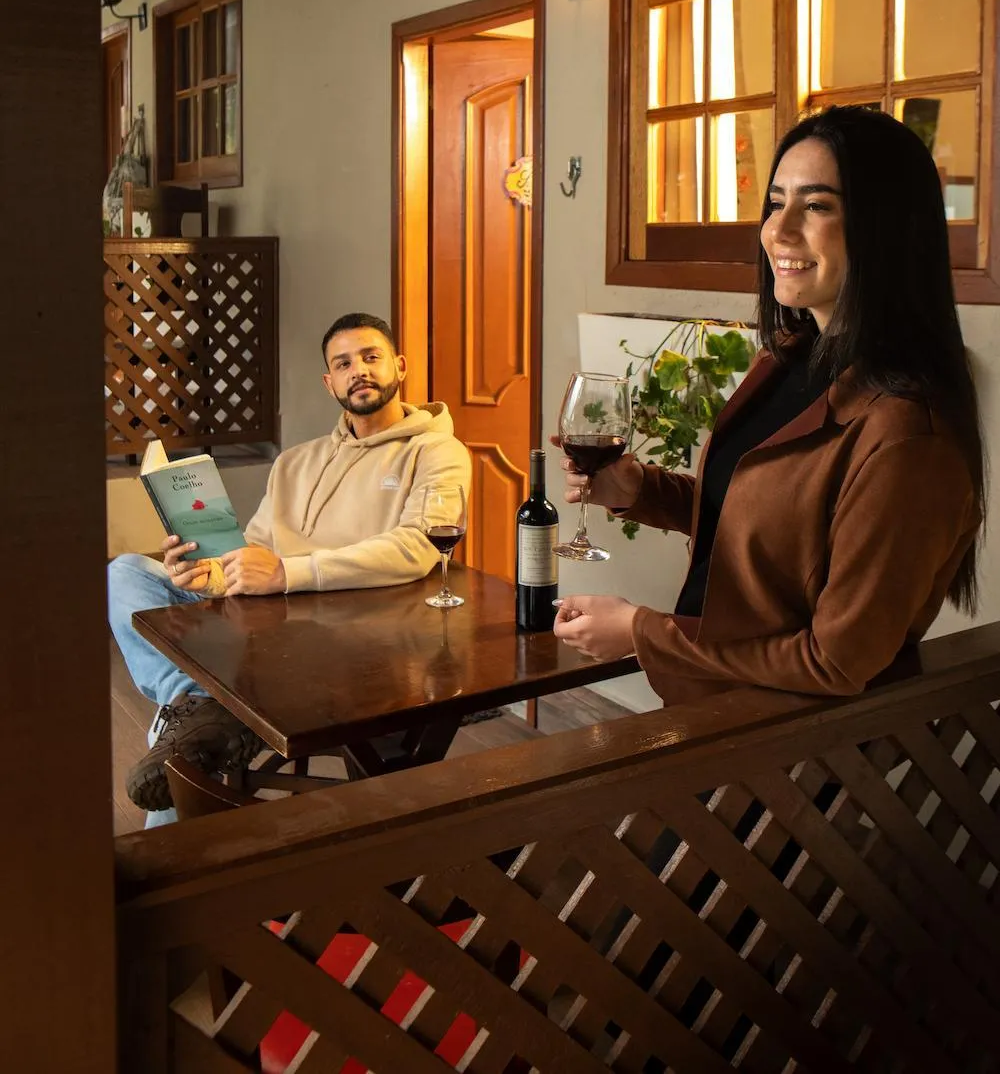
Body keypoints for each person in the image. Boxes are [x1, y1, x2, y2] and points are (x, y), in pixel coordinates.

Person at [553, 105, 985, 707]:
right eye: (775, 202)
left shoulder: (909, 435)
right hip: (719, 710)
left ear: (886, 229)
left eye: (817, 205)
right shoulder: (790, 358)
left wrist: (639, 631)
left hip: (789, 758)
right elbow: (773, 526)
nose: (778, 231)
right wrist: (640, 491)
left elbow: (834, 662)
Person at [109, 311, 472, 813]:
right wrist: (202, 570)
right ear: (330, 382)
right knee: (126, 572)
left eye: (371, 357)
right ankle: (198, 705)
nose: (358, 370)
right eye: (343, 363)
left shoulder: (437, 451)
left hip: (348, 637)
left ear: (400, 366)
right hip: (262, 622)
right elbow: (252, 548)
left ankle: (196, 721)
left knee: (181, 751)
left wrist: (288, 572)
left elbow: (418, 547)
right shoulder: (295, 462)